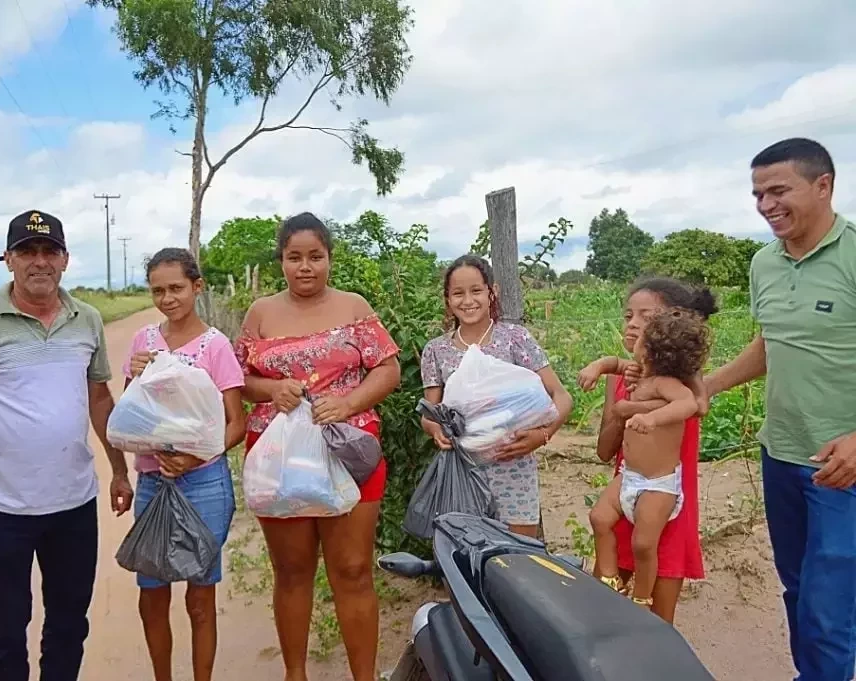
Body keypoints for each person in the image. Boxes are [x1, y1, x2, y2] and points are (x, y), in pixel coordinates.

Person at [0, 209, 133, 681]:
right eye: (27, 251)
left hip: (73, 505)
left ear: (65, 260)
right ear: (8, 260)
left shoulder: (87, 319)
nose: (39, 262)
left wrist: (120, 470)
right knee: (4, 635)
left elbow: (99, 396)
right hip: (0, 511)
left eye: (49, 251)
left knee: (68, 626)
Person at [704, 138, 856, 681]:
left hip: (843, 466)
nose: (766, 205)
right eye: (757, 194)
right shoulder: (764, 262)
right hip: (782, 452)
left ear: (823, 185)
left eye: (778, 190)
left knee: (827, 604)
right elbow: (770, 344)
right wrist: (707, 387)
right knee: (795, 587)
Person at [234, 212, 401, 681]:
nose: (305, 267)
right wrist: (271, 391)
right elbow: (237, 379)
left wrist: (349, 402)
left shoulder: (354, 307)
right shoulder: (261, 313)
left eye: (315, 256)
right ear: (281, 261)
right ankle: (295, 673)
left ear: (330, 258)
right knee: (291, 570)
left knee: (352, 569)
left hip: (350, 452)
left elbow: (388, 370)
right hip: (278, 457)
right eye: (294, 257)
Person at [122, 248, 246, 681]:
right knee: (151, 593)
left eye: (176, 288)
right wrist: (134, 376)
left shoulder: (215, 347)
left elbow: (237, 423)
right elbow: (131, 415)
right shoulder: (143, 342)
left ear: (197, 286)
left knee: (200, 597)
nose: (167, 298)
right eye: (158, 290)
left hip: (204, 484)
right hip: (154, 483)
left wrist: (196, 456)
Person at [576, 277, 715, 623]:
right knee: (604, 613)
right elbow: (605, 451)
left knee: (658, 618)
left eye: (647, 318)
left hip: (667, 509)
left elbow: (698, 405)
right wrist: (622, 405)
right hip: (625, 495)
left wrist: (635, 408)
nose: (633, 324)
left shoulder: (683, 382)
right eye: (628, 317)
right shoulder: (621, 378)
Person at [419, 254, 573, 538]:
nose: (468, 300)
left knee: (519, 556)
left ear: (493, 292)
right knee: (466, 554)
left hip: (513, 468)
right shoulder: (436, 350)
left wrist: (543, 435)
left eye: (476, 290)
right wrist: (435, 429)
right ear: (447, 299)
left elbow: (561, 395)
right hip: (462, 471)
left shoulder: (516, 338)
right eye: (458, 293)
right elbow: (431, 412)